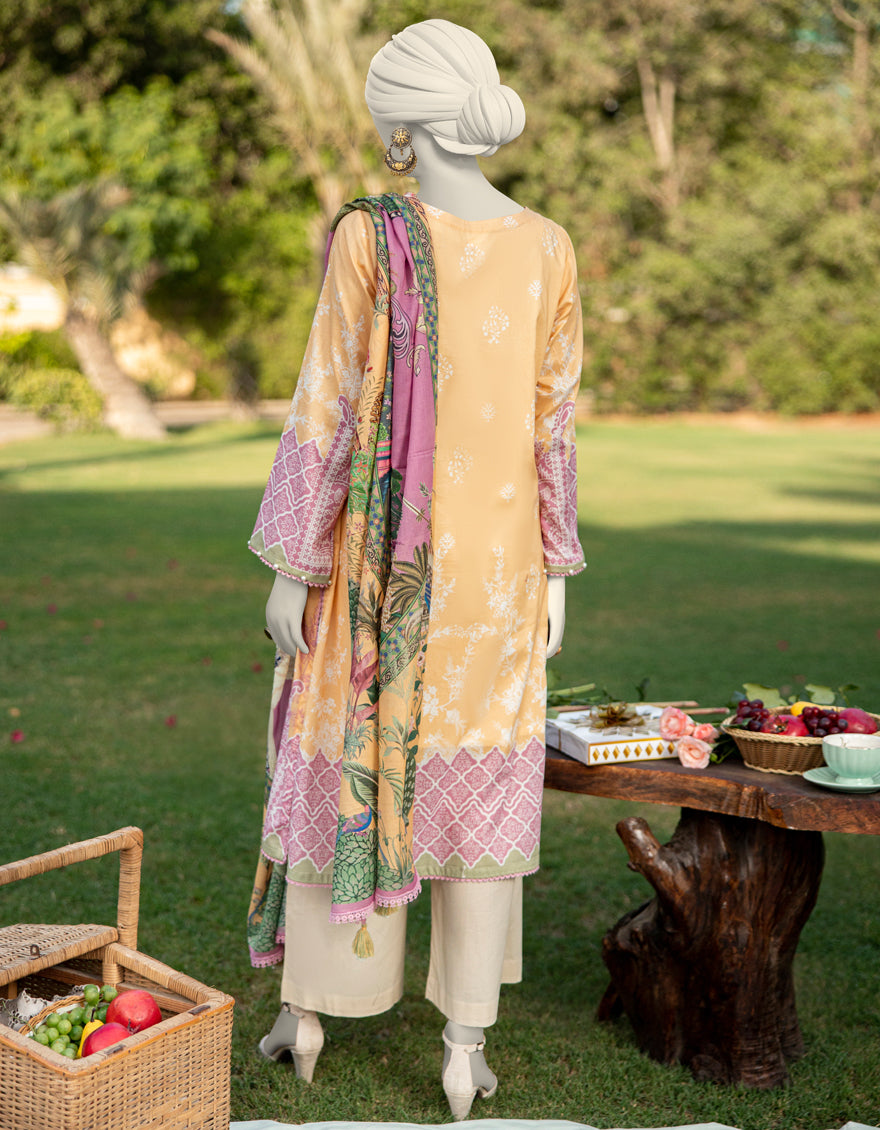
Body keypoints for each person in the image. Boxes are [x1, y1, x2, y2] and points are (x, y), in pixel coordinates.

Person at [246, 18, 584, 1118]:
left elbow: (328, 400)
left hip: (377, 570)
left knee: (347, 755)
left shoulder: (370, 234)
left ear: (401, 125)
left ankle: (308, 1012)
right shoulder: (548, 244)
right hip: (500, 580)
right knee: (475, 780)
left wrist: (293, 563)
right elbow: (553, 425)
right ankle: (464, 1044)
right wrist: (557, 567)